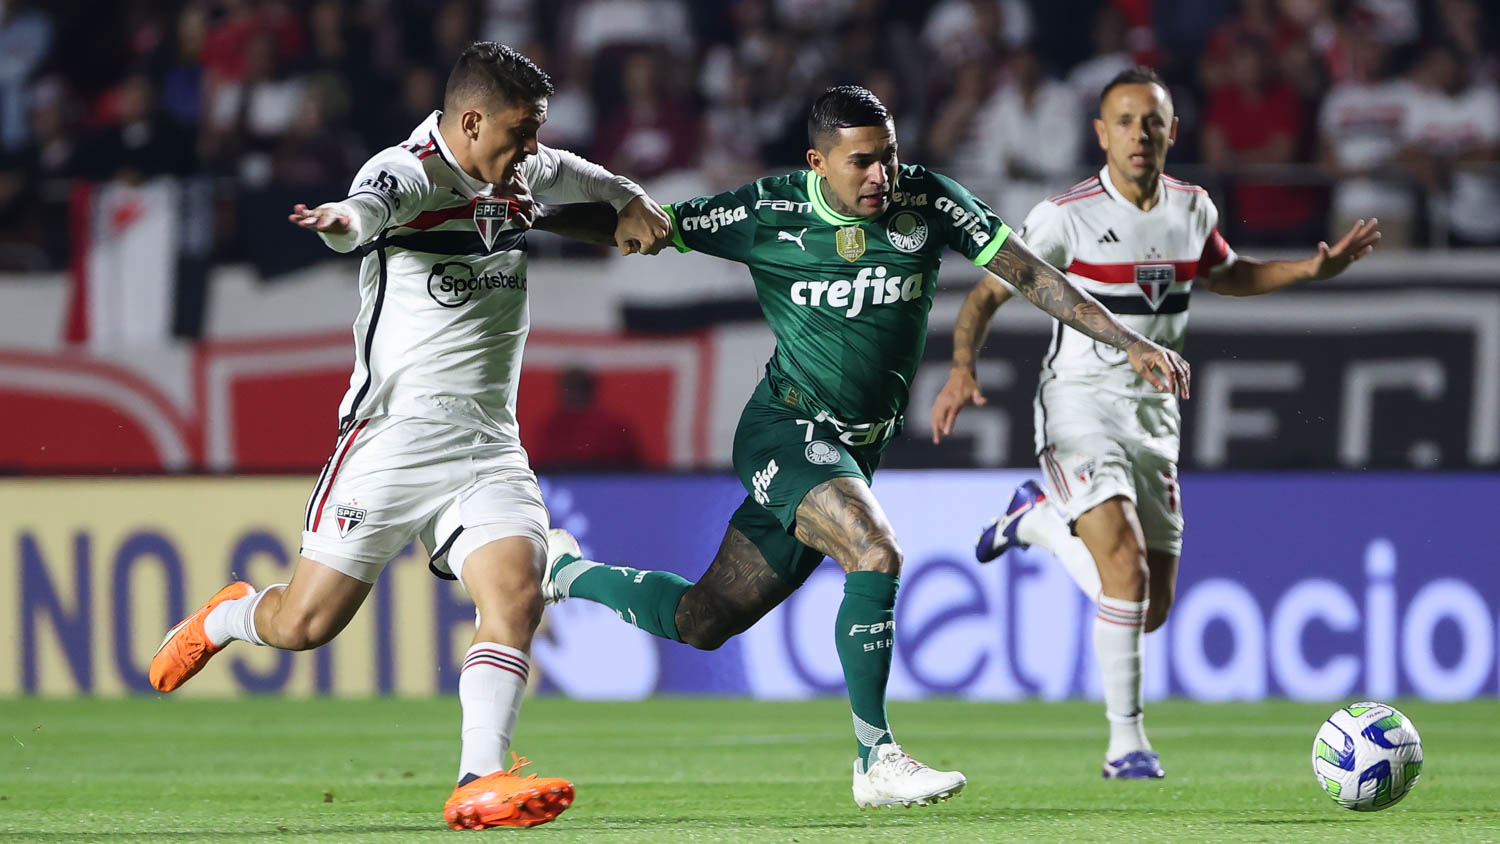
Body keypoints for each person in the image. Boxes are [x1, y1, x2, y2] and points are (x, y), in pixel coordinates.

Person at [541, 85, 1189, 808]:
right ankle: (875, 758)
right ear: (818, 162)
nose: (881, 175)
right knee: (876, 550)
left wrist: (1126, 337)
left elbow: (1030, 273)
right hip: (784, 430)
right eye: (861, 163)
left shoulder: (930, 201)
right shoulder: (768, 211)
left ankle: (563, 571)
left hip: (855, 448)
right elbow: (640, 222)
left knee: (702, 619)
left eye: (888, 157)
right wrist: (528, 217)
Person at [147, 41, 672, 830]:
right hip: (391, 439)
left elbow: (585, 178)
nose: (531, 150)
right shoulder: (411, 171)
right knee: (305, 626)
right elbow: (366, 208)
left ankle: (478, 778)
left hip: (489, 442)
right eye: (519, 133)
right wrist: (339, 223)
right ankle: (228, 615)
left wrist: (628, 197)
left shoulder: (522, 167)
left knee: (516, 593)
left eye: (535, 135)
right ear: (469, 120)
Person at [930, 67, 1380, 780]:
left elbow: (1224, 273)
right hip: (1078, 405)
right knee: (1126, 571)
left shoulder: (1193, 207)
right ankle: (1126, 745)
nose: (1140, 133)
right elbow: (987, 294)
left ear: (1174, 131)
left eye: (1153, 120)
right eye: (1125, 120)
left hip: (1154, 417)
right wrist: (962, 366)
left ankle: (1037, 523)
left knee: (1149, 609)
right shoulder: (1064, 215)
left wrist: (1307, 272)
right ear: (1100, 133)